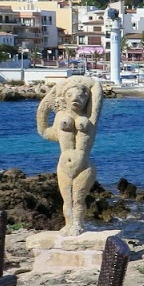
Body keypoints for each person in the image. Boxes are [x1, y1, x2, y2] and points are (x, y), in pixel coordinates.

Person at [36, 77, 103, 235]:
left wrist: (67, 83)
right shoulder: (60, 117)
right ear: (64, 99)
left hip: (84, 165)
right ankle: (68, 225)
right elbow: (43, 127)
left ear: (87, 99)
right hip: (63, 166)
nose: (75, 98)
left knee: (78, 200)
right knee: (67, 201)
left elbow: (96, 86)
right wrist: (56, 90)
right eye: (70, 95)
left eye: (80, 96)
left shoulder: (90, 119)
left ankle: (78, 225)